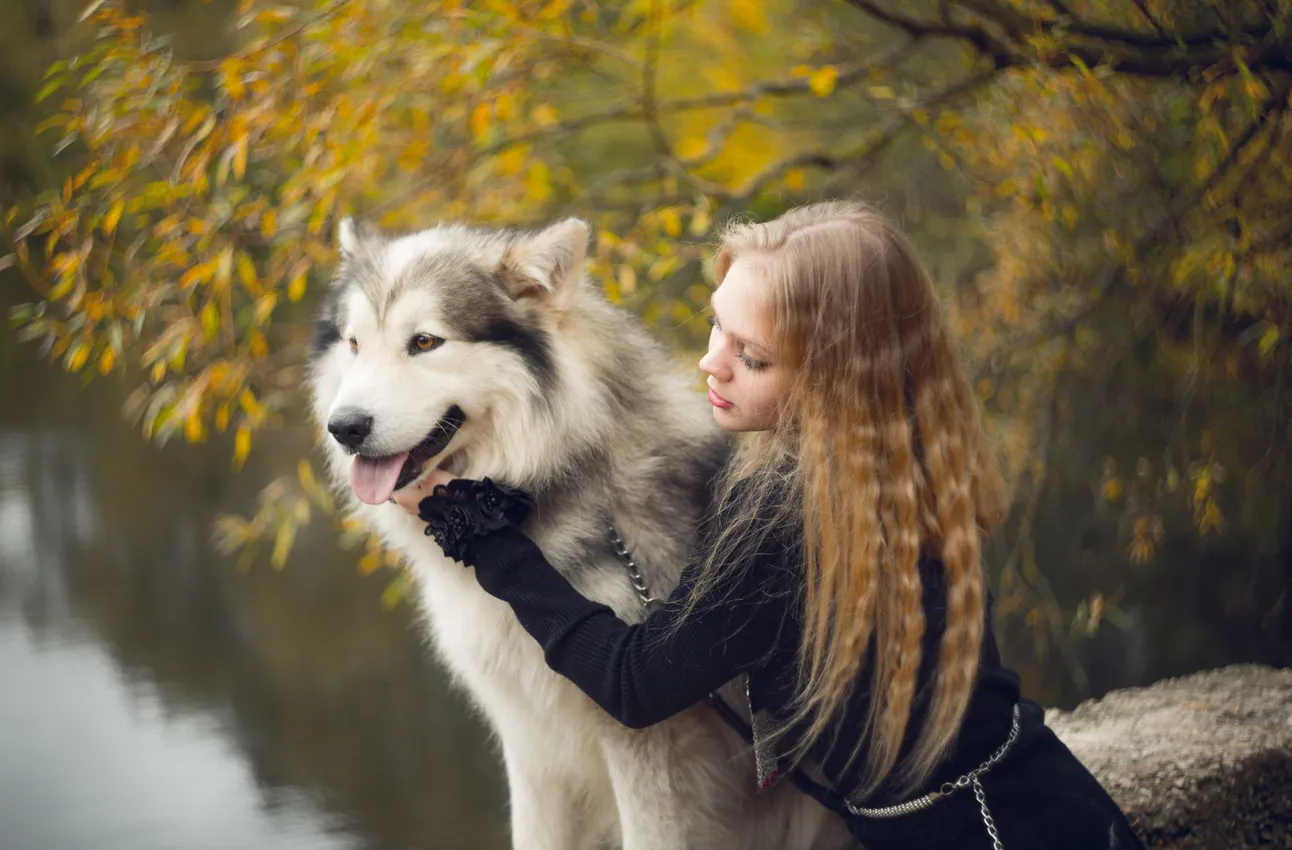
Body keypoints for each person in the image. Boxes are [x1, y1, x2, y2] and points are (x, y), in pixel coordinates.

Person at [393, 201, 1143, 850]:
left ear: (831, 375)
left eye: (750, 357)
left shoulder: (791, 510)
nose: (709, 363)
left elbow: (634, 683)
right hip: (1054, 806)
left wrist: (484, 538)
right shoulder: (888, 450)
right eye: (716, 325)